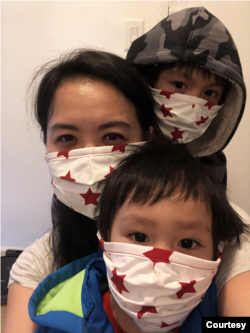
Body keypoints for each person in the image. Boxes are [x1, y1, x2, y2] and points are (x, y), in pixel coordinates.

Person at [4, 49, 156, 333]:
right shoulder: (39, 264)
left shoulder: (210, 230)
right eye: (67, 138)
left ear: (147, 138)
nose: (88, 159)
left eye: (112, 136)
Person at [29, 142, 248, 333]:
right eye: (140, 236)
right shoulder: (63, 320)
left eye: (187, 243)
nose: (159, 262)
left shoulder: (222, 311)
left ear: (217, 252)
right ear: (104, 238)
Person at [126, 6, 250, 316]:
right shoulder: (118, 152)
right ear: (147, 82)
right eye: (179, 86)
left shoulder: (212, 165)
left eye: (210, 93)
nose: (194, 102)